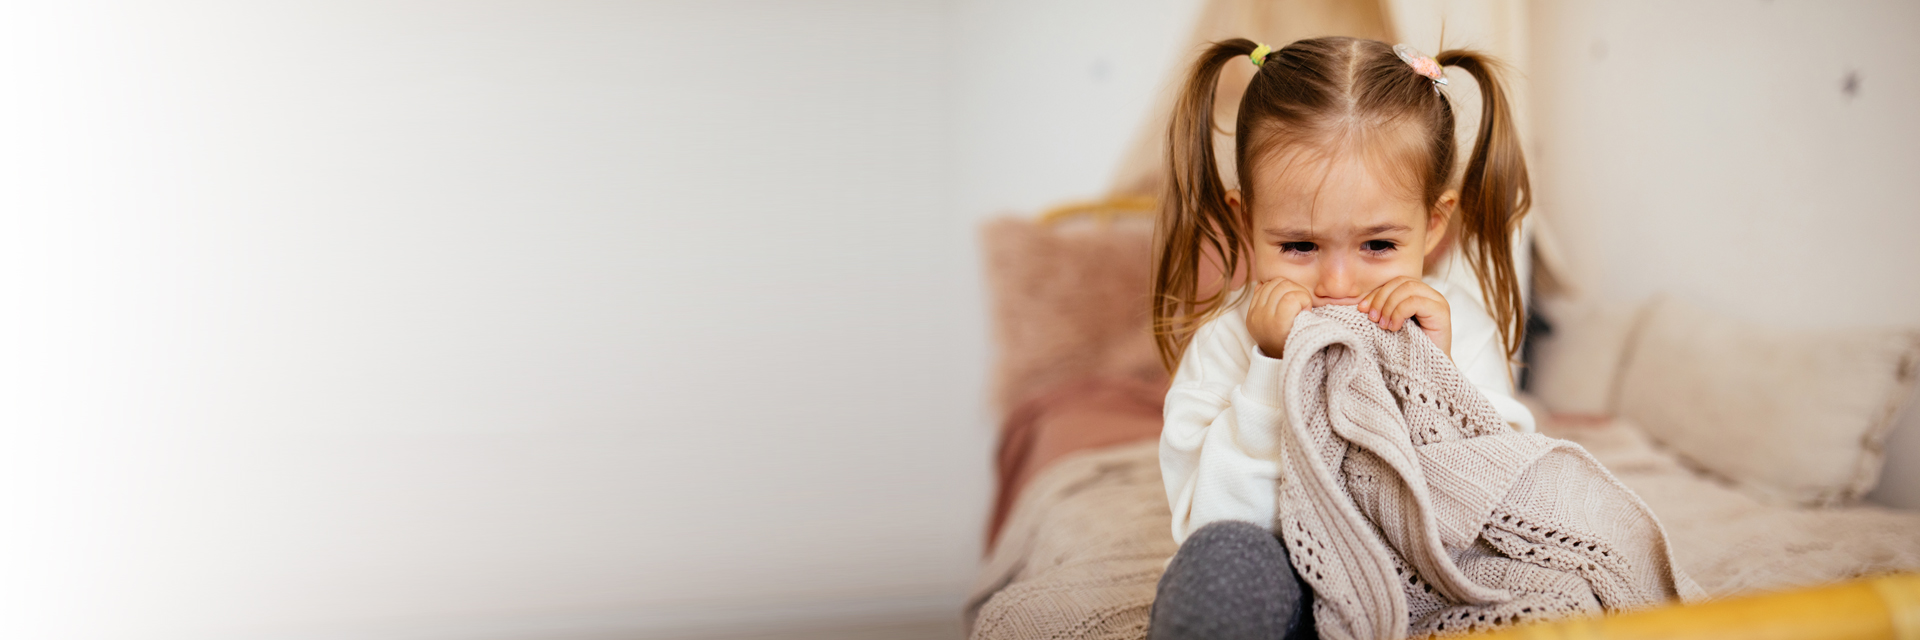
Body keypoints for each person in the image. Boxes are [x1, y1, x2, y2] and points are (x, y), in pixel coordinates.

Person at [1145, 36, 1536, 640]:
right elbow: (1212, 520)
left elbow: (1499, 503)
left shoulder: (1457, 329)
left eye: (1378, 245)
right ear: (1243, 220)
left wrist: (1433, 373)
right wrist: (1271, 371)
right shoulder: (1228, 343)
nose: (1337, 284)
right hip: (1286, 576)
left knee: (1537, 581)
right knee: (1218, 567)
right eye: (1299, 246)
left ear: (1433, 223)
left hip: (1424, 572)